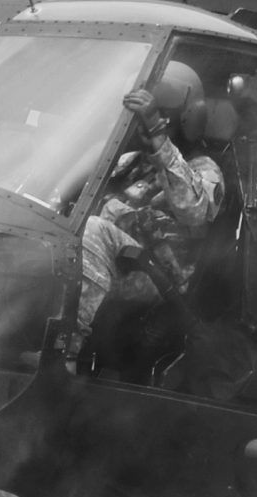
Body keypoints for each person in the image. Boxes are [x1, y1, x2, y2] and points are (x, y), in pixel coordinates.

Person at [75, 61, 226, 368]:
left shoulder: (205, 169)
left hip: (157, 281)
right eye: (141, 123)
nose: (143, 130)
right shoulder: (128, 161)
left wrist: (158, 134)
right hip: (108, 267)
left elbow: (194, 211)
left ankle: (68, 351)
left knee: (92, 229)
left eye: (156, 124)